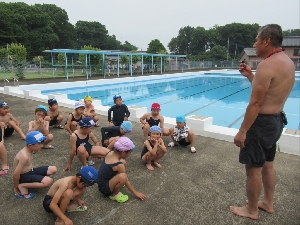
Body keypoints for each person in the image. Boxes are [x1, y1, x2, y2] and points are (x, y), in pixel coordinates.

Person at [230, 24, 295, 220]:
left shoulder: (267, 65)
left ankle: (251, 210)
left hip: (261, 124)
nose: (254, 44)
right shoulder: (287, 62)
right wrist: (251, 75)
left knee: (253, 169)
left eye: (257, 40)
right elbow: (270, 93)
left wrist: (242, 131)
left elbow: (256, 103)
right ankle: (267, 203)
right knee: (268, 164)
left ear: (267, 41)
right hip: (276, 121)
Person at [97, 137, 147, 203]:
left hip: (102, 181)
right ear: (123, 152)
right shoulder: (118, 165)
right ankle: (114, 194)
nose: (130, 154)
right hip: (104, 189)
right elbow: (125, 179)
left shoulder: (110, 152)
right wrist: (136, 193)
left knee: (123, 162)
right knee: (123, 177)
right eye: (130, 152)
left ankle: (117, 183)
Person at [13, 131, 57, 199]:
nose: (42, 145)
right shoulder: (24, 156)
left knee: (53, 169)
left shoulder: (30, 149)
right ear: (30, 145)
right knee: (48, 181)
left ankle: (36, 179)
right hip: (23, 176)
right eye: (39, 144)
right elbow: (16, 174)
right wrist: (16, 187)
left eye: (42, 143)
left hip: (30, 171)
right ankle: (22, 186)